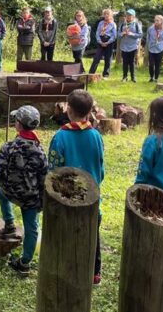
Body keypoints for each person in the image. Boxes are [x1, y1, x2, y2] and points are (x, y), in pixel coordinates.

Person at [48, 89, 105, 285]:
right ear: (89, 111)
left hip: (67, 200)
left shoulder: (60, 137)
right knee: (92, 235)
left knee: (68, 235)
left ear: (68, 110)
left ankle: (68, 268)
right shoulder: (96, 136)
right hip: (92, 197)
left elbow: (54, 169)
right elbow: (101, 165)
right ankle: (95, 272)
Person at [0, 106, 49, 277]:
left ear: (18, 124)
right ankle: (24, 263)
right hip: (31, 199)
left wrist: (6, 186)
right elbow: (44, 177)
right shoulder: (39, 151)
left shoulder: (9, 146)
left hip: (11, 192)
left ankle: (9, 223)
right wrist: (40, 198)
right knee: (31, 227)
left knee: (0, 194)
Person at [89, 9, 117, 78]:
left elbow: (114, 35)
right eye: (105, 14)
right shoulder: (101, 23)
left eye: (108, 14)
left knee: (108, 59)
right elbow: (97, 32)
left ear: (111, 15)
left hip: (109, 41)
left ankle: (106, 75)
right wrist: (99, 41)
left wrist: (108, 42)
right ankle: (91, 73)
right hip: (101, 40)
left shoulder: (113, 24)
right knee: (97, 58)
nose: (106, 15)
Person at [120, 9, 143, 83]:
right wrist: (122, 34)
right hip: (124, 46)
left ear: (133, 16)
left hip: (133, 46)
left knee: (132, 62)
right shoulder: (123, 24)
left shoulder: (136, 24)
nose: (128, 16)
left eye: (130, 15)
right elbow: (118, 35)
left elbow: (140, 35)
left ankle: (133, 77)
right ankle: (124, 77)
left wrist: (132, 34)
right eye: (127, 15)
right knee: (125, 62)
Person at [145, 15, 163, 83]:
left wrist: (162, 45)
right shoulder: (151, 29)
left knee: (157, 64)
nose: (156, 22)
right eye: (155, 20)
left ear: (161, 21)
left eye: (157, 20)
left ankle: (156, 78)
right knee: (151, 64)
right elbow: (148, 37)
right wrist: (149, 45)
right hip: (151, 49)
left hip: (160, 49)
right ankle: (151, 77)